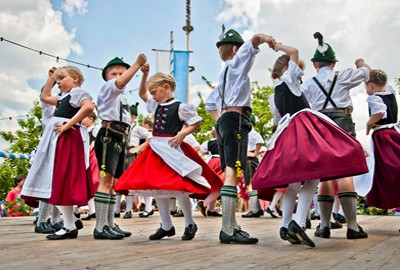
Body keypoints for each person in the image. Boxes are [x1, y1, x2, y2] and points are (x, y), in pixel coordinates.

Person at [253, 40, 369, 247]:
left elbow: (277, 120)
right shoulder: (290, 80)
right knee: (314, 176)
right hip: (304, 129)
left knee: (294, 181)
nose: (301, 74)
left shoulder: (273, 95)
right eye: (299, 71)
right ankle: (298, 222)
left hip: (286, 133)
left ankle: (286, 224)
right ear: (288, 69)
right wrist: (276, 45)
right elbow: (295, 51)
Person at [115, 68, 222, 241]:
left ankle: (189, 223)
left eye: (155, 92)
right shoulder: (155, 105)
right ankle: (166, 225)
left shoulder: (180, 107)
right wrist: (143, 75)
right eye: (152, 93)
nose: (153, 96)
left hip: (171, 149)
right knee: (157, 186)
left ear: (166, 87)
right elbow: (142, 93)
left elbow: (196, 122)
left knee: (178, 187)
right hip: (155, 149)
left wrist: (181, 134)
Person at [205, 28, 275, 244]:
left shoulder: (222, 76)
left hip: (226, 121)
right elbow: (254, 41)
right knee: (232, 173)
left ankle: (232, 225)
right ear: (236, 49)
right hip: (236, 120)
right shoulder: (236, 65)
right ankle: (228, 229)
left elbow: (209, 104)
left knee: (231, 172)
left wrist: (219, 120)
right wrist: (267, 39)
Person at [302, 32, 370, 240]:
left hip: (320, 124)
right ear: (333, 64)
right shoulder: (343, 75)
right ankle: (352, 226)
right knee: (345, 172)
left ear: (315, 64)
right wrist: (360, 62)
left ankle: (324, 226)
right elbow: (366, 73)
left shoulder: (309, 84)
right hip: (342, 122)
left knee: (325, 174)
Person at [21, 66, 95, 240]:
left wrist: (68, 125)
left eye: (62, 78)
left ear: (75, 78)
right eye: (58, 79)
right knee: (60, 181)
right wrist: (50, 79)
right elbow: (45, 97)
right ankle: (69, 226)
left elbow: (88, 107)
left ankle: (69, 226)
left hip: (68, 139)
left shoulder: (78, 93)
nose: (59, 82)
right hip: (60, 140)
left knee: (64, 178)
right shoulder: (64, 97)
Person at [94, 55, 146, 239]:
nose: (118, 76)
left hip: (121, 137)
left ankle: (108, 223)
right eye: (114, 73)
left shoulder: (122, 96)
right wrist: (137, 64)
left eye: (121, 73)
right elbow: (122, 82)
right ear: (107, 77)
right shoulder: (109, 88)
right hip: (109, 135)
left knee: (113, 184)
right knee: (105, 181)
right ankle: (100, 226)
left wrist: (143, 74)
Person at [364, 70, 400, 211]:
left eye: (366, 86)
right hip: (394, 133)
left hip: (383, 137)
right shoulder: (390, 92)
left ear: (371, 86)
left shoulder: (375, 98)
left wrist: (368, 124)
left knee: (389, 172)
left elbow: (379, 112)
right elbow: (380, 80)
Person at [115, 103, 152, 219]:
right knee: (118, 181)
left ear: (134, 117)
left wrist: (138, 148)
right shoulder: (120, 127)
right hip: (119, 153)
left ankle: (129, 209)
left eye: (130, 115)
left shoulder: (138, 129)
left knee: (130, 182)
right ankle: (116, 209)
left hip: (131, 154)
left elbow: (151, 137)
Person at [241, 114, 265, 218]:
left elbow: (260, 141)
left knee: (250, 183)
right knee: (251, 183)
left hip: (249, 158)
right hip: (249, 158)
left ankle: (254, 209)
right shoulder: (249, 133)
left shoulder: (251, 132)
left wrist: (254, 153)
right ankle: (258, 208)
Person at [198, 128, 223, 217]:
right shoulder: (227, 141)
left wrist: (209, 152)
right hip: (222, 162)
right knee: (221, 186)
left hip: (212, 162)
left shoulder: (209, 143)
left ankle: (211, 210)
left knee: (214, 185)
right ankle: (204, 203)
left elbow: (201, 150)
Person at [81, 112, 100, 221]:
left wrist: (94, 143)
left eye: (84, 117)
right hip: (84, 158)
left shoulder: (95, 130)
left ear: (91, 119)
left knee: (93, 182)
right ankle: (92, 210)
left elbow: (101, 139)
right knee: (86, 184)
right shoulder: (82, 131)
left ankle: (95, 210)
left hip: (93, 158)